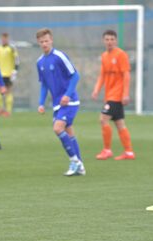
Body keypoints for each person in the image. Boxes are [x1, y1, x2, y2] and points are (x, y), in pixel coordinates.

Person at [36, 28, 85, 176]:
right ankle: (80, 166)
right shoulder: (40, 62)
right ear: (38, 43)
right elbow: (44, 85)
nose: (44, 43)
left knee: (58, 128)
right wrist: (41, 103)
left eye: (46, 40)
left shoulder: (59, 56)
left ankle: (74, 161)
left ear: (51, 40)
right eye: (41, 41)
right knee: (69, 133)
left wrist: (68, 95)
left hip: (69, 102)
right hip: (57, 104)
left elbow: (75, 75)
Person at [91, 29, 135, 160]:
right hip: (109, 95)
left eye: (112, 39)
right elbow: (102, 75)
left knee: (103, 119)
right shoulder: (104, 56)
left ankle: (107, 150)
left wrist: (125, 94)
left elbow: (126, 75)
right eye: (107, 39)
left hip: (116, 95)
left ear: (116, 41)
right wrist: (96, 90)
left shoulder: (121, 55)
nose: (109, 42)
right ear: (103, 41)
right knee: (119, 123)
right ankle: (129, 152)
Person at [0, 32, 20, 117]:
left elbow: (17, 60)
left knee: (7, 92)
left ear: (8, 39)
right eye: (2, 38)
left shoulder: (12, 48)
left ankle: (8, 111)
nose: (4, 40)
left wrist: (15, 71)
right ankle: (1, 108)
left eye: (5, 38)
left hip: (8, 74)